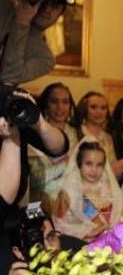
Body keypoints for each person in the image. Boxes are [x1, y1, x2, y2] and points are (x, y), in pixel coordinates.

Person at [0, 88, 68, 224]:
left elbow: (60, 147)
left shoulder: (8, 101)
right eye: (54, 101)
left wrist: (40, 123)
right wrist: (11, 140)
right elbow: (2, 202)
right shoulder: (11, 138)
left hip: (18, 210)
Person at [0, 0, 71, 84]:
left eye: (55, 6)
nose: (47, 9)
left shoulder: (45, 59)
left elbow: (9, 77)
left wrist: (22, 21)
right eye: (42, 0)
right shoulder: (4, 5)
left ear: (59, 16)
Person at [53, 138, 123, 241]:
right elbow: (58, 225)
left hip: (110, 242)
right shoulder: (68, 193)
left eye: (99, 165)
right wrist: (85, 232)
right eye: (88, 164)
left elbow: (117, 216)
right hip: (80, 245)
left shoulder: (109, 189)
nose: (94, 170)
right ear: (79, 164)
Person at [28, 82, 78, 214]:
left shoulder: (76, 133)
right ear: (45, 105)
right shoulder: (34, 134)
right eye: (54, 101)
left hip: (72, 202)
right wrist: (66, 163)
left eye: (65, 102)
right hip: (38, 205)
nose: (60, 107)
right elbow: (36, 180)